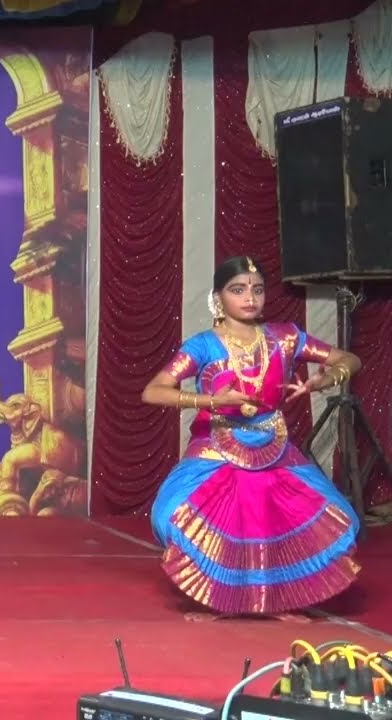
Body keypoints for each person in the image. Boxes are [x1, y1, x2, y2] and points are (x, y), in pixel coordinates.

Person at [142, 256, 362, 621]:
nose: (250, 298)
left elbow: (350, 359)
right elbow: (153, 391)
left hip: (272, 445)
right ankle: (218, 598)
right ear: (218, 298)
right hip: (217, 447)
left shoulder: (286, 337)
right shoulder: (203, 346)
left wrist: (326, 378)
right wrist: (211, 401)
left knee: (334, 518)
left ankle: (275, 600)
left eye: (257, 290)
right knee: (173, 516)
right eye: (238, 290)